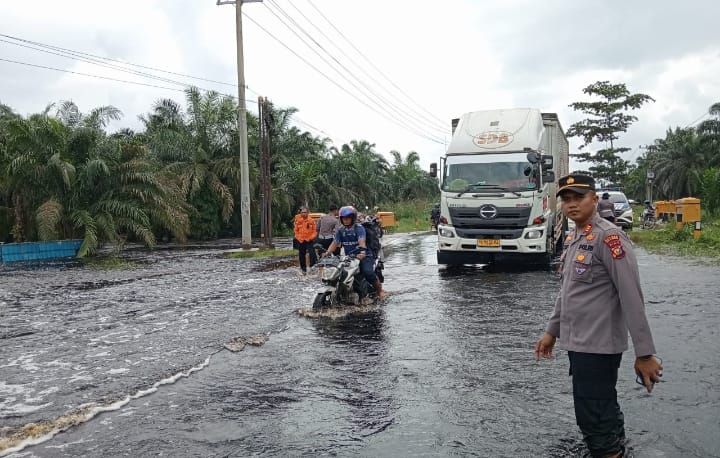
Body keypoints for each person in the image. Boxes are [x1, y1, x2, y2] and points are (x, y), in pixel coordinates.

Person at [534, 174, 662, 458]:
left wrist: (645, 353)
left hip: (599, 346)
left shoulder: (610, 238)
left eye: (578, 197)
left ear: (594, 198)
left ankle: (609, 452)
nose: (571, 205)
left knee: (592, 413)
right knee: (602, 406)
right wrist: (551, 332)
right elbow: (567, 291)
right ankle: (617, 448)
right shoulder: (576, 237)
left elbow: (632, 297)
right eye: (566, 199)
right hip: (579, 343)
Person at [324, 206, 387, 300]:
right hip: (349, 257)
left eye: (348, 218)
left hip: (364, 255)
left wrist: (362, 252)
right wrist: (327, 252)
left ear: (353, 218)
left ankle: (380, 291)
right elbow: (335, 243)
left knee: (368, 272)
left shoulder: (359, 228)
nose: (345, 220)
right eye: (343, 218)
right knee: (337, 272)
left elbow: (362, 241)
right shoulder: (341, 230)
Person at [293, 206, 317, 275]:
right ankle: (303, 268)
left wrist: (311, 237)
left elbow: (314, 231)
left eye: (305, 212)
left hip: (309, 240)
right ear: (300, 213)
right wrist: (298, 238)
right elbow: (296, 231)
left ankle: (313, 266)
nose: (303, 214)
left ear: (308, 213)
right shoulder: (298, 221)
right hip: (301, 240)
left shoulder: (311, 221)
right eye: (302, 212)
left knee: (312, 253)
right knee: (301, 255)